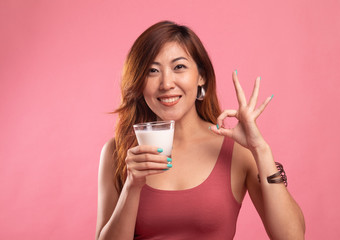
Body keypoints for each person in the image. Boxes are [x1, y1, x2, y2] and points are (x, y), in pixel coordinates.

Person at [95, 21, 305, 240]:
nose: (166, 83)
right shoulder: (118, 152)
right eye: (152, 71)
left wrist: (260, 149)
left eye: (179, 67)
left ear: (201, 76)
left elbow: (292, 237)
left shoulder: (237, 151)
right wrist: (132, 186)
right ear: (139, 82)